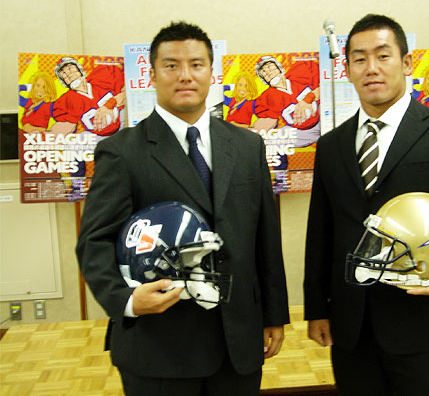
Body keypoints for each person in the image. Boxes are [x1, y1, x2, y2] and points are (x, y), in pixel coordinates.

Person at [76, 21, 289, 396]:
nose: (185, 75)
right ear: (152, 75)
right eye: (171, 65)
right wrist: (126, 300)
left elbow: (265, 239)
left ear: (212, 73)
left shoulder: (247, 146)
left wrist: (274, 315)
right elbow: (95, 241)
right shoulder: (122, 152)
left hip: (238, 342)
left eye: (196, 64)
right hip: (159, 346)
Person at [304, 14, 429, 396]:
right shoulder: (331, 145)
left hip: (421, 319)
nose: (371, 68)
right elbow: (321, 231)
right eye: (359, 59)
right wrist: (317, 308)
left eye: (383, 55)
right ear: (347, 69)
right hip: (351, 324)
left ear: (406, 63)